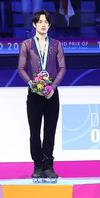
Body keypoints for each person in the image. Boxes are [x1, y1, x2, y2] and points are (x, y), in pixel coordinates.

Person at [18, 10, 66, 180]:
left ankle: (49, 165)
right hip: (34, 94)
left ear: (50, 25)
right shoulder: (27, 45)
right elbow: (21, 69)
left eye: (46, 22)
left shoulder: (56, 44)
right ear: (34, 24)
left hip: (52, 94)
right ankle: (37, 165)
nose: (43, 24)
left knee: (50, 131)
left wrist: (52, 87)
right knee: (34, 131)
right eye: (40, 22)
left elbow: (62, 68)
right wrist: (32, 84)